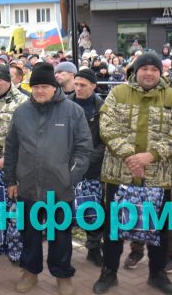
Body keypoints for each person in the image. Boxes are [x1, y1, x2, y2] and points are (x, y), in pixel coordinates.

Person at [93, 52, 172, 295]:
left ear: (160, 72)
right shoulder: (118, 94)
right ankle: (109, 272)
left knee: (160, 228)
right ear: (136, 71)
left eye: (153, 69)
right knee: (114, 227)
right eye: (143, 68)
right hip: (120, 174)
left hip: (159, 177)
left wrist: (150, 155)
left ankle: (157, 274)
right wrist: (129, 156)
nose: (148, 73)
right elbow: (107, 127)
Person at [4, 62, 93, 295]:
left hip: (60, 189)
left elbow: (84, 150)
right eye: (36, 86)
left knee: (60, 235)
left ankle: (62, 274)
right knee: (29, 234)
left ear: (55, 87)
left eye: (45, 86)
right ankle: (30, 272)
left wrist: (70, 177)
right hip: (28, 187)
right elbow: (11, 149)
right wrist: (11, 180)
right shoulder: (21, 112)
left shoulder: (73, 111)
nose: (40, 90)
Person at [68, 68, 105, 267]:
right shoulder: (65, 105)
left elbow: (105, 141)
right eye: (76, 84)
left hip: (92, 169)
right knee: (65, 211)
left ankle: (93, 248)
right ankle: (64, 251)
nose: (79, 88)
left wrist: (86, 159)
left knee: (93, 210)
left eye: (83, 85)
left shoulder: (103, 108)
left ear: (93, 86)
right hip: (68, 170)